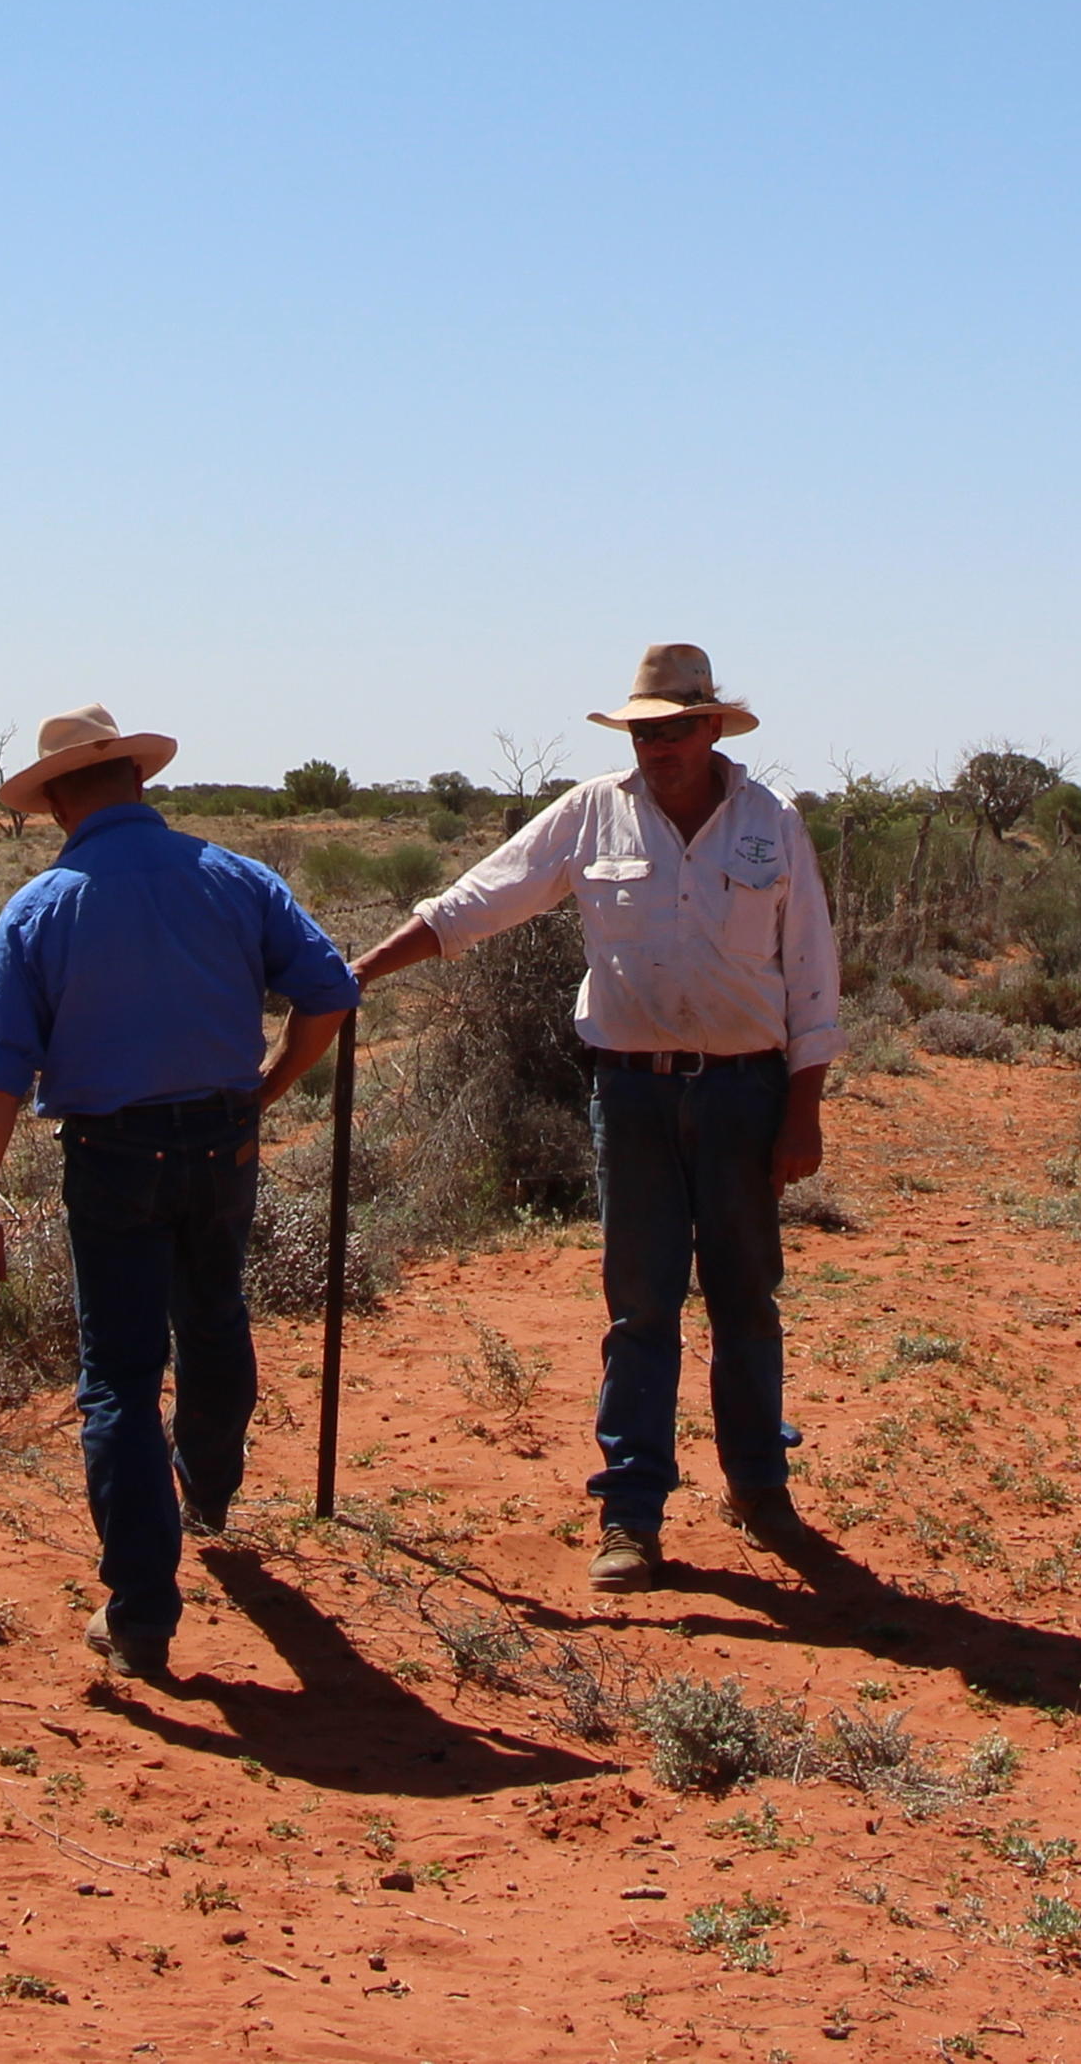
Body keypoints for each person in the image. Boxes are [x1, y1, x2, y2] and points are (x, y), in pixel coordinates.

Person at [357, 642, 835, 1589]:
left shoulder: (770, 825)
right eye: (642, 730)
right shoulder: (590, 815)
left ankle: (758, 1485)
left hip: (746, 1093)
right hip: (633, 1091)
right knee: (642, 1305)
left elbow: (814, 974)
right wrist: (363, 969)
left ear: (710, 727)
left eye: (673, 728)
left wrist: (803, 1110)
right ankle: (631, 1514)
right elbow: (481, 899)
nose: (657, 746)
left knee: (746, 1297)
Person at [0, 702, 361, 1682]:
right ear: (136, 780)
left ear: (57, 799)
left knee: (120, 1377)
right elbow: (330, 993)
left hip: (111, 1152)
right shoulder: (233, 877)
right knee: (215, 1317)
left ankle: (141, 1612)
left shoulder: (40, 908)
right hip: (223, 1140)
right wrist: (269, 1082)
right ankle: (208, 1496)